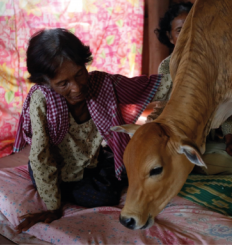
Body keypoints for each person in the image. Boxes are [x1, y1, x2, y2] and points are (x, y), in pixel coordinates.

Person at [13, 28, 172, 232]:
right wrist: (53, 207)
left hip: (91, 162)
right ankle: (59, 189)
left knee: (132, 166)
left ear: (84, 64)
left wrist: (191, 78)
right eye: (63, 83)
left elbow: (150, 86)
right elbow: (41, 157)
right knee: (103, 197)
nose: (77, 88)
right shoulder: (41, 100)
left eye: (80, 74)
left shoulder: (102, 84)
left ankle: (86, 181)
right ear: (45, 82)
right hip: (55, 169)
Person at [151, 2, 232, 175]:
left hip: (207, 140)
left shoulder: (214, 66)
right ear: (170, 36)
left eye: (193, 28)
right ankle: (184, 163)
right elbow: (162, 108)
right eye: (180, 31)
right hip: (177, 138)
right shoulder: (167, 68)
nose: (188, 36)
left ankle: (183, 166)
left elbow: (224, 108)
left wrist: (230, 141)